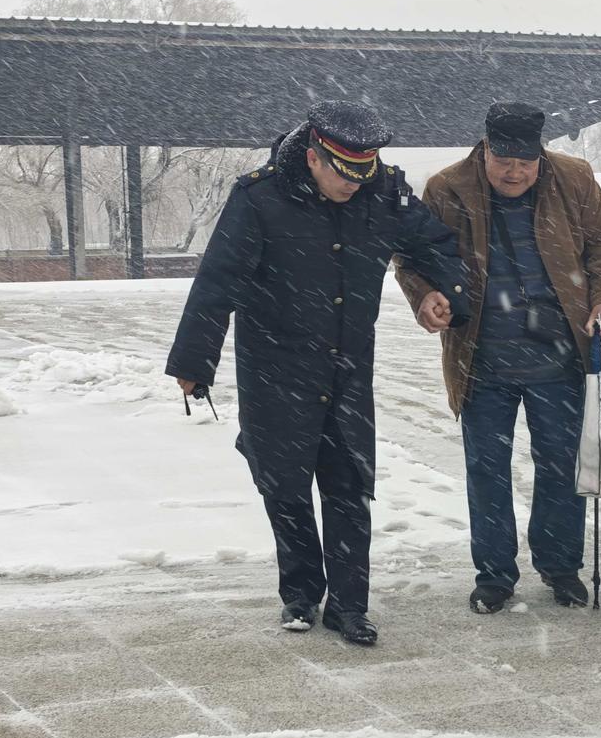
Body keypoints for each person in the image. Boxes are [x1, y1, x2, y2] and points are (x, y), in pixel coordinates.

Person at [166, 100, 470, 645]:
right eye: (342, 174)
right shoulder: (259, 198)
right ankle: (301, 593)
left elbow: (436, 244)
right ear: (312, 157)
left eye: (363, 173)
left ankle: (351, 607)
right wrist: (195, 362)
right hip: (275, 367)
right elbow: (219, 280)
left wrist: (445, 292)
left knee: (349, 486)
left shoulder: (384, 191)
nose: (352, 184)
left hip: (349, 367)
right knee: (284, 486)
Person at [395, 101, 601, 614]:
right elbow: (412, 258)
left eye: (526, 163)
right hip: (482, 359)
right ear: (486, 149)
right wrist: (425, 296)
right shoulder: (447, 188)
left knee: (563, 466)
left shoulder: (574, 178)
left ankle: (560, 566)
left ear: (541, 156)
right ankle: (495, 575)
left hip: (560, 355)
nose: (515, 173)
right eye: (505, 162)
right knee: (487, 470)